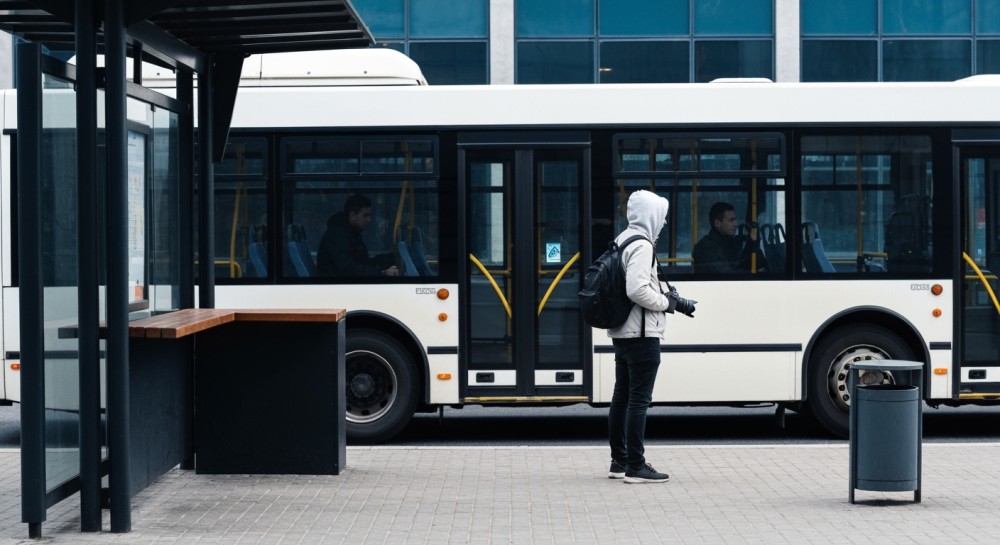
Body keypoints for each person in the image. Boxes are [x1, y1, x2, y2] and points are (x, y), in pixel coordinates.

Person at [608, 189, 690, 484]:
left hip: (623, 331)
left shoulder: (622, 240)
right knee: (639, 401)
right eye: (662, 216)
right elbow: (637, 290)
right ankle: (636, 466)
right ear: (651, 215)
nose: (665, 223)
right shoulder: (642, 246)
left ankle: (619, 461)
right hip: (641, 333)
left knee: (622, 398)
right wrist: (668, 303)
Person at [317, 194, 400, 277]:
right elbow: (348, 269)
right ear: (352, 215)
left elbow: (362, 262)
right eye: (365, 216)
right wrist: (382, 273)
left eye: (369, 215)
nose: (369, 220)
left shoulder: (352, 233)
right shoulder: (337, 236)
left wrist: (388, 259)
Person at [691, 201, 761, 274]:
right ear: (717, 223)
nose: (735, 224)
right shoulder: (706, 247)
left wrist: (753, 241)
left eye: (735, 220)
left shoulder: (728, 242)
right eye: (731, 220)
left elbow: (744, 261)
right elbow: (726, 275)